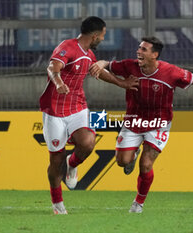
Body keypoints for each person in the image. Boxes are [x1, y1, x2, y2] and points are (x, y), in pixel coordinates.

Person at [92, 36, 193, 213]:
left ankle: (138, 203)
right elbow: (109, 65)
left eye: (144, 49)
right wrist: (101, 63)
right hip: (133, 121)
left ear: (155, 54)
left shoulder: (171, 72)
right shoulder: (130, 66)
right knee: (122, 162)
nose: (139, 51)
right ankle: (132, 154)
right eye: (139, 48)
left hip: (158, 123)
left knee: (146, 165)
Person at [39, 16, 138, 215]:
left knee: (87, 142)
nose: (103, 38)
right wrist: (58, 83)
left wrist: (122, 83)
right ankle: (57, 202)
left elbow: (98, 72)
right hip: (55, 109)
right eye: (103, 34)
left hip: (78, 106)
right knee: (55, 160)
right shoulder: (67, 46)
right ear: (94, 35)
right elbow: (52, 67)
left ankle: (72, 164)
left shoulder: (89, 54)